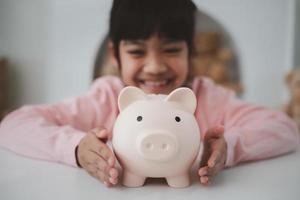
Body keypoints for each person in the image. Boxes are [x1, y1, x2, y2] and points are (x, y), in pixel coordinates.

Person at [0, 0, 299, 188]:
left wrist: (230, 147)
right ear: (115, 56)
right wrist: (76, 148)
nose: (155, 66)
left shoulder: (208, 97)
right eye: (136, 51)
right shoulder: (106, 97)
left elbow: (285, 129)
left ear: (191, 52)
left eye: (171, 50)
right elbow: (13, 124)